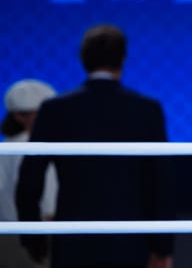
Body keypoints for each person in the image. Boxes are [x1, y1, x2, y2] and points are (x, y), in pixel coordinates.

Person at [15, 24, 175, 268]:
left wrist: (32, 237)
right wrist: (162, 247)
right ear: (123, 59)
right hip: (130, 241)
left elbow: (29, 179)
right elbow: (160, 182)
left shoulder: (55, 109)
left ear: (83, 58)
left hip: (73, 241)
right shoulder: (146, 110)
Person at [0, 79, 57, 268]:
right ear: (19, 116)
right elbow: (49, 206)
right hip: (38, 237)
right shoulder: (36, 149)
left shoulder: (6, 148)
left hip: (7, 237)